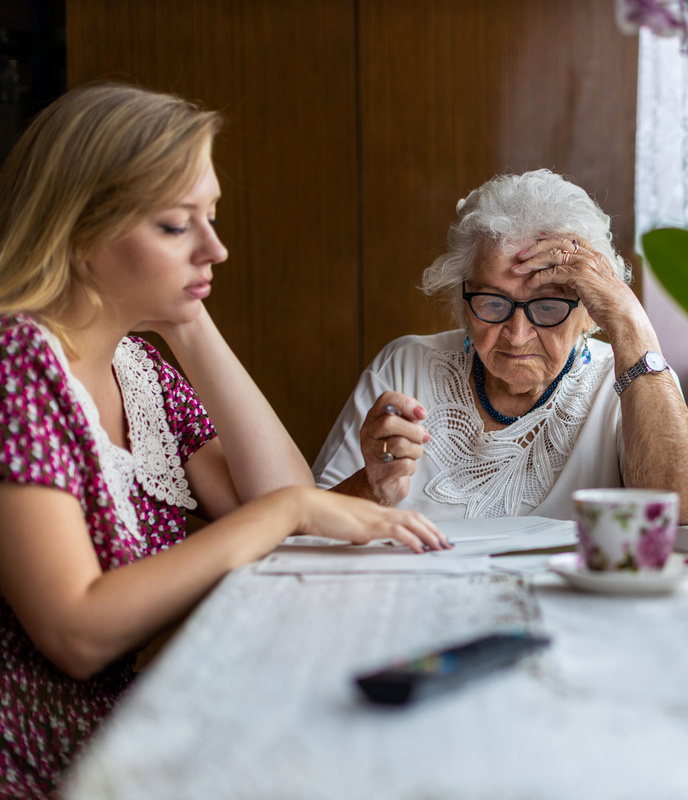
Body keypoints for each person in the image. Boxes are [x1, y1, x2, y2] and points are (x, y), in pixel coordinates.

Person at [0, 83, 450, 799]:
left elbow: (277, 498)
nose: (217, 247)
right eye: (178, 226)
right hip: (49, 769)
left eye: (210, 217)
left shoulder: (137, 367)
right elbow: (76, 633)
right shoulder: (16, 364)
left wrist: (187, 320)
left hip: (140, 728)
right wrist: (286, 513)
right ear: (82, 229)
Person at [313, 169, 688, 523]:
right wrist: (371, 487)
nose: (517, 335)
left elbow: (679, 511)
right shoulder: (405, 367)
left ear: (589, 313)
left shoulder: (631, 379)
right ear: (464, 304)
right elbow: (306, 521)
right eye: (493, 302)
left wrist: (629, 321)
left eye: (549, 305)